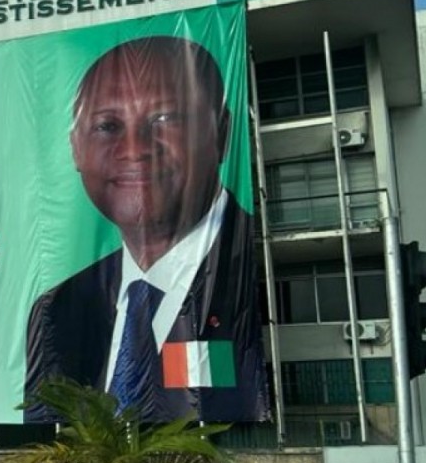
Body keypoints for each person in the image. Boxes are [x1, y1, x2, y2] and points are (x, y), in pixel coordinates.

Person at [24, 36, 266, 424]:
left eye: (165, 119)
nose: (135, 148)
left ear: (221, 132)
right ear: (74, 148)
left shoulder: (254, 270)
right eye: (107, 125)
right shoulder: (58, 310)